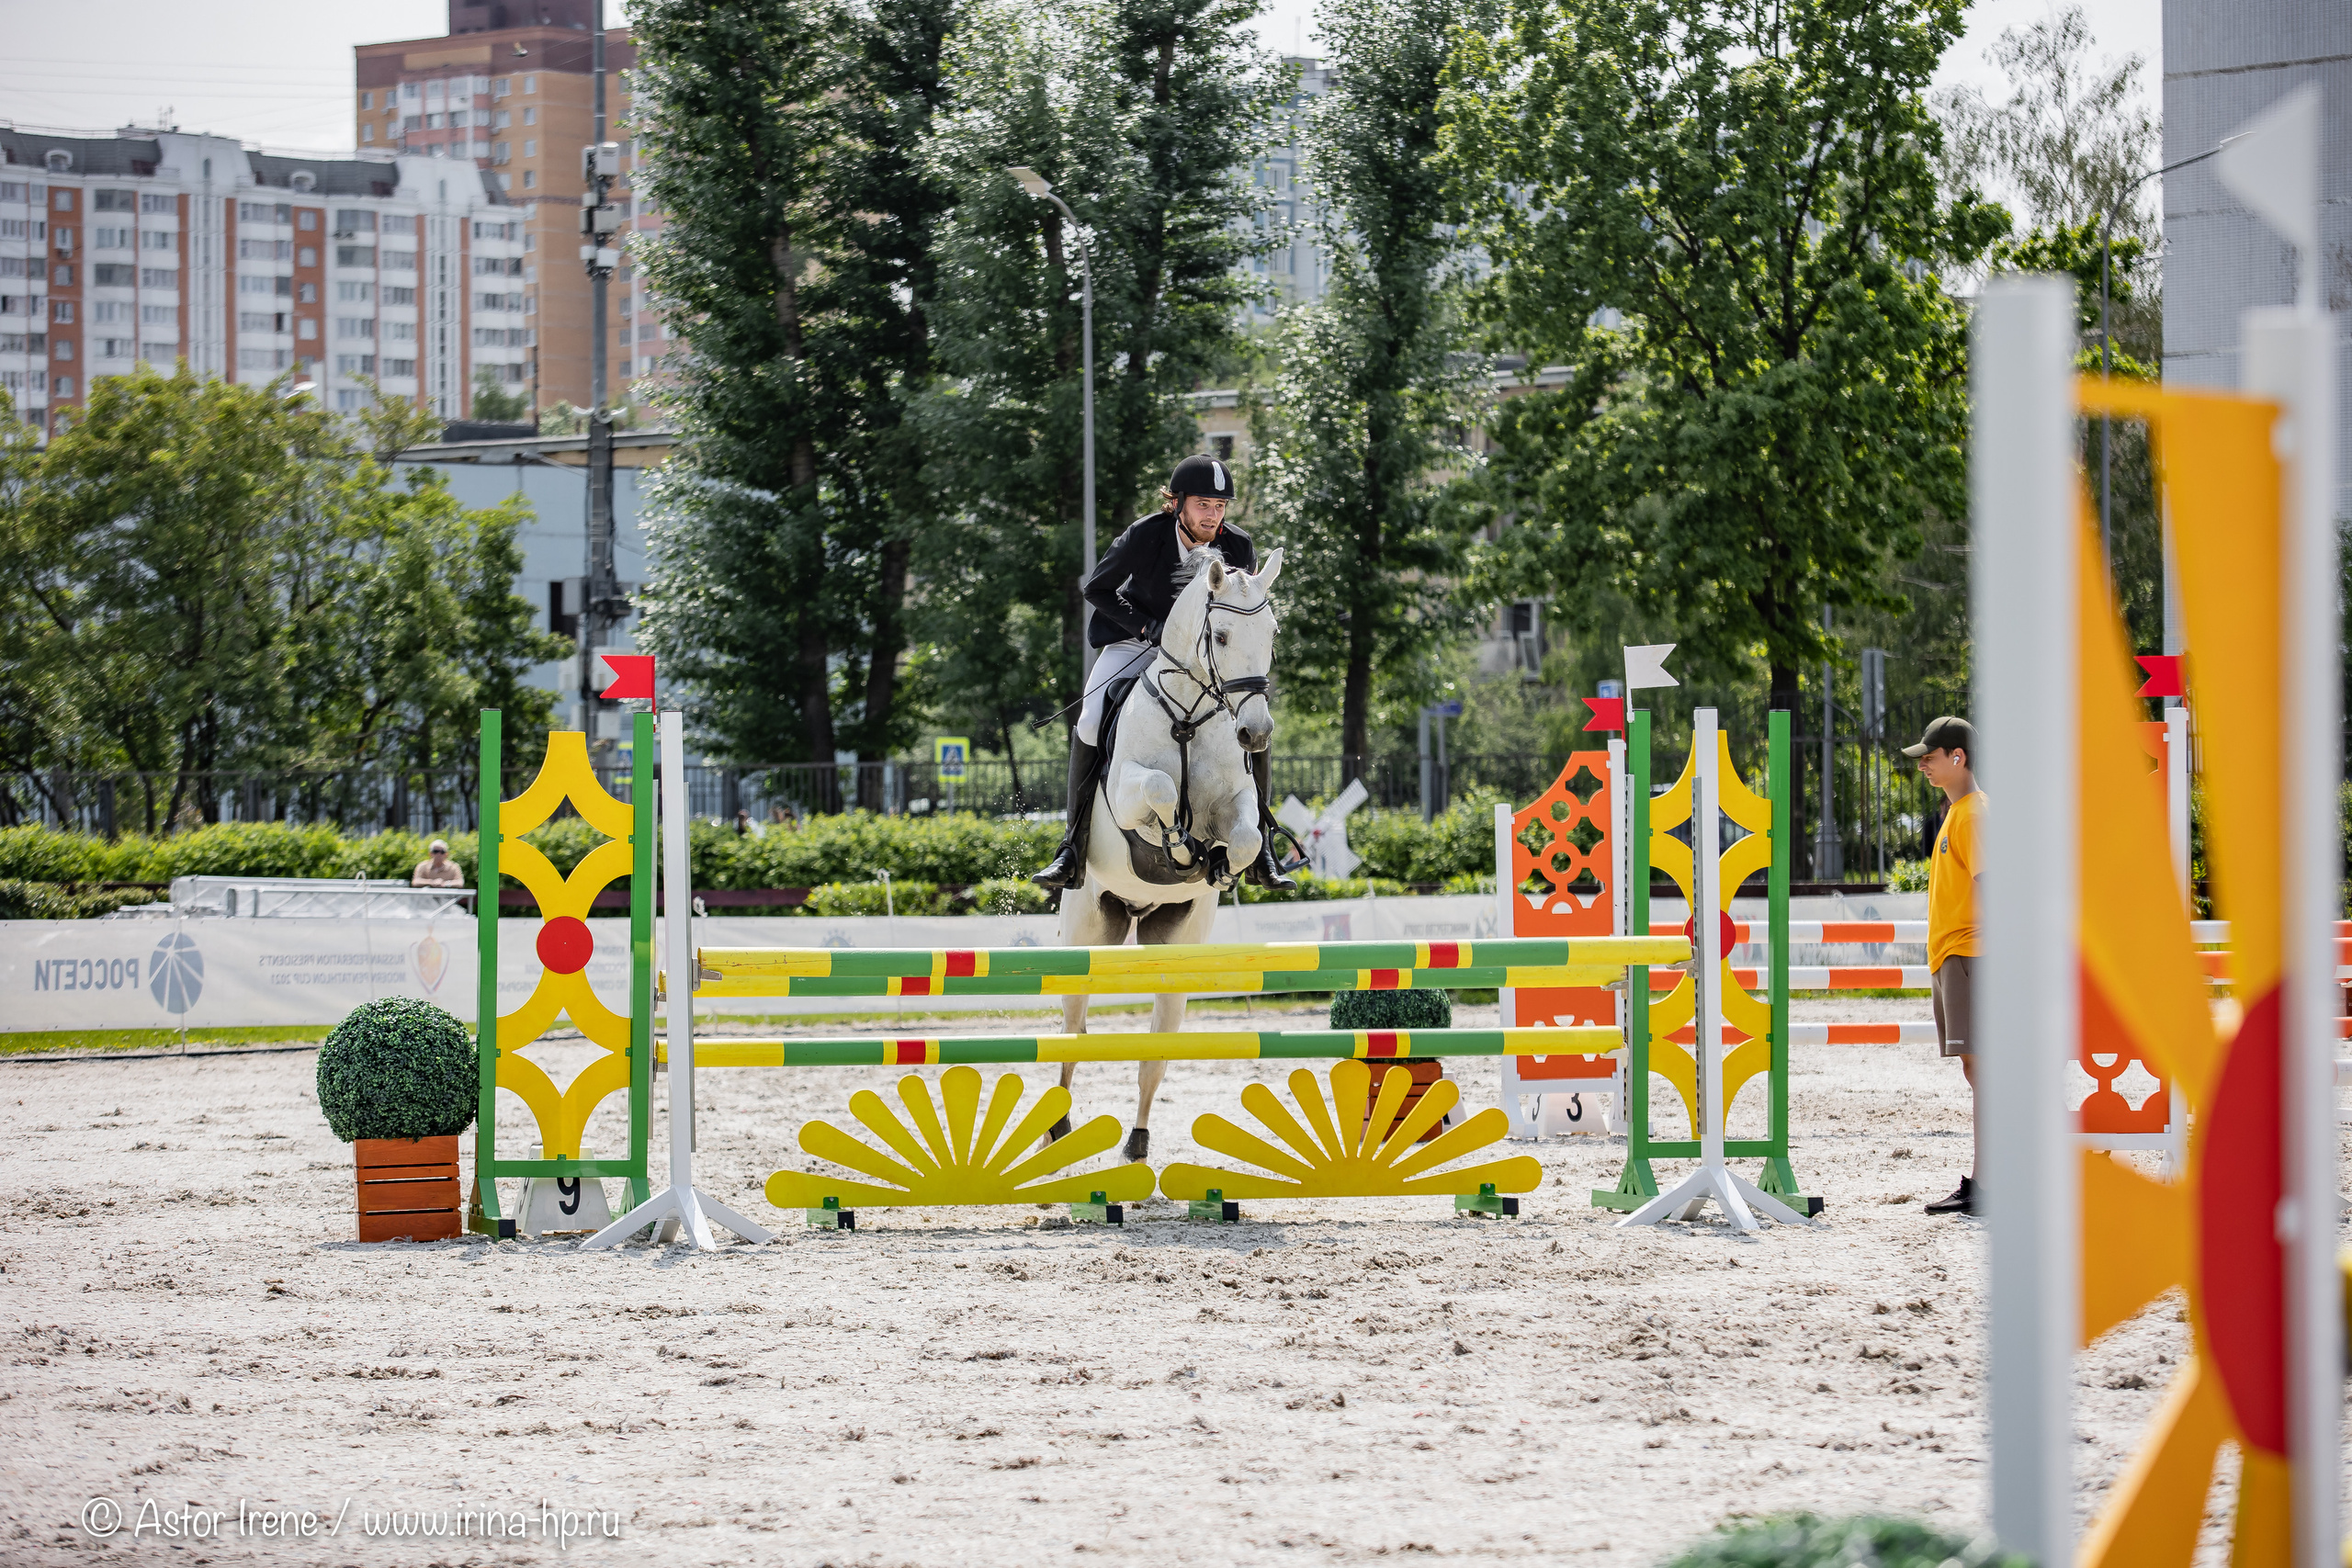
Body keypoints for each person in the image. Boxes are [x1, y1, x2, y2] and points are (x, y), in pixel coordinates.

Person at [1033, 454, 1294, 893]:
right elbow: (1096, 589)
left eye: (1220, 506)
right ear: (1178, 504)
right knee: (1092, 718)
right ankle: (1071, 849)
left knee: (1253, 722)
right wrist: (1143, 626)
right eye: (1203, 505)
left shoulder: (1239, 546)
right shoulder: (1145, 535)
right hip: (1137, 641)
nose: (1213, 516)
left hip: (1201, 656)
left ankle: (1262, 848)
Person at [1905, 716, 1984, 1217]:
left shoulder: (1975, 815)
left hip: (1972, 956)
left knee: (1984, 1070)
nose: (1924, 767)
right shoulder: (1958, 814)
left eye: (1931, 757)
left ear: (1958, 757)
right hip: (1956, 956)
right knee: (1978, 1070)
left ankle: (1990, 1182)